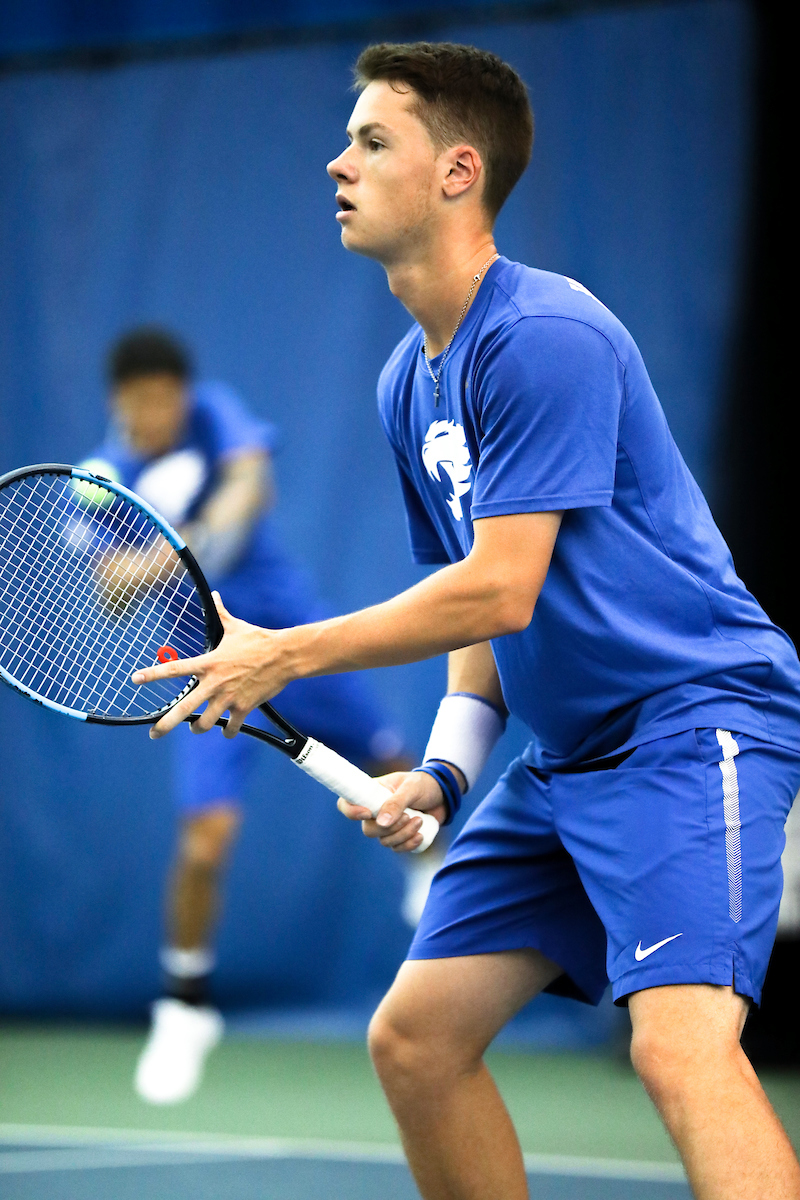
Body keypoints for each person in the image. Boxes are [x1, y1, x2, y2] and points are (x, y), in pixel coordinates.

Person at [131, 43, 800, 1199]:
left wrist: (286, 650)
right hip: (566, 757)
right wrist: (442, 775)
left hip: (692, 726)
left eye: (370, 141)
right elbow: (474, 620)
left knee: (679, 1047)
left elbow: (501, 585)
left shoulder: (544, 333)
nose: (335, 163)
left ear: (456, 171)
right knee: (417, 1042)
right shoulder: (408, 380)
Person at [85, 326, 415, 1105]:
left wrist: (175, 541)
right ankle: (185, 1005)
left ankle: (426, 864)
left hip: (288, 632)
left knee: (394, 770)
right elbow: (108, 590)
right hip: (200, 659)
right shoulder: (102, 478)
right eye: (142, 401)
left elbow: (249, 488)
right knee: (206, 841)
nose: (158, 412)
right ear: (118, 403)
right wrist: (178, 553)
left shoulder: (216, 415)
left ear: (184, 394)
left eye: (168, 397)